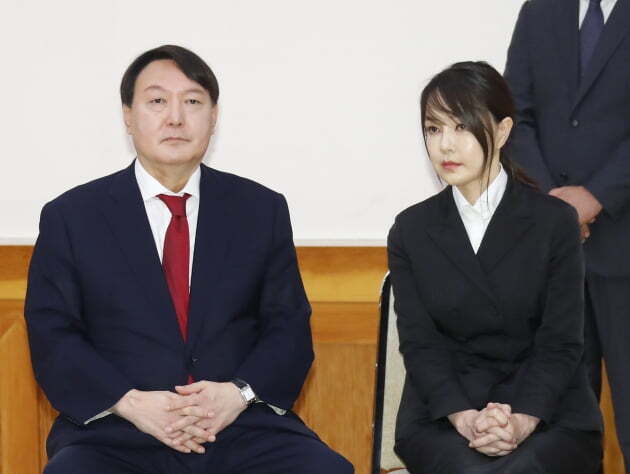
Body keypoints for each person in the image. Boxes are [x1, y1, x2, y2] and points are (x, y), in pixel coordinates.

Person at [24, 44, 353, 474]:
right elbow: (53, 335)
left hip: (240, 426)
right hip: (118, 431)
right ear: (128, 115)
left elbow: (288, 327)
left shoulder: (260, 209)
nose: (176, 117)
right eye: (157, 101)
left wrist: (236, 395)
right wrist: (131, 403)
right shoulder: (73, 216)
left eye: (193, 102)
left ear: (214, 118)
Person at [388, 61, 602, 474]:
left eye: (461, 127)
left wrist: (520, 421)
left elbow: (561, 342)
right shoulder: (411, 230)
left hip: (548, 412)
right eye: (433, 129)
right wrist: (466, 418)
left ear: (502, 131)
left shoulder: (555, 222)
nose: (445, 145)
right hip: (445, 414)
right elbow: (420, 344)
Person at [504, 0, 630, 470]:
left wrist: (596, 195)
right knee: (561, 430)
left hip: (624, 242)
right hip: (552, 256)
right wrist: (555, 204)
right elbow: (513, 115)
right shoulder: (540, 10)